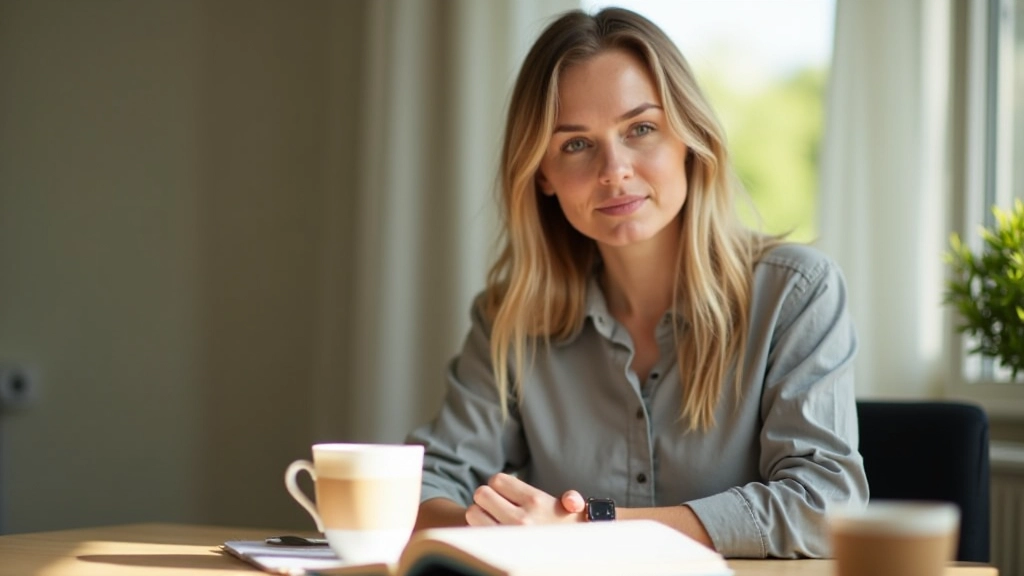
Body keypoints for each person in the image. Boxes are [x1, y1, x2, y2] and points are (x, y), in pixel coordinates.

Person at [405, 6, 868, 558]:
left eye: (641, 129)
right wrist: (505, 530)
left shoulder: (796, 294)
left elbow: (825, 505)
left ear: (690, 140)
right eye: (576, 143)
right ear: (543, 175)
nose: (614, 169)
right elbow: (423, 488)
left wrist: (592, 529)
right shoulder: (511, 318)